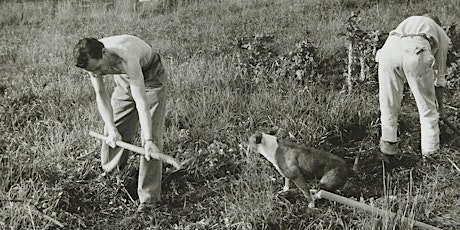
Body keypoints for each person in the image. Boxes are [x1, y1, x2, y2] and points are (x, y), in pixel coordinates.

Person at [73, 34, 168, 213]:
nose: (98, 74)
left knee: (152, 140)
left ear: (104, 52)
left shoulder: (127, 55)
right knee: (115, 127)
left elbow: (141, 102)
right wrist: (111, 129)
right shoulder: (93, 62)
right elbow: (101, 95)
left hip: (150, 77)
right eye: (93, 71)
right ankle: (112, 176)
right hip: (125, 79)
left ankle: (149, 200)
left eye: (99, 68)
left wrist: (147, 140)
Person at [375, 13, 450, 158]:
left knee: (388, 107)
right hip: (416, 51)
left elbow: (400, 50)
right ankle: (431, 157)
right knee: (428, 112)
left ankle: (388, 155)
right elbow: (439, 79)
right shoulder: (439, 32)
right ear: (437, 24)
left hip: (387, 52)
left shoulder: (408, 22)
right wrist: (440, 109)